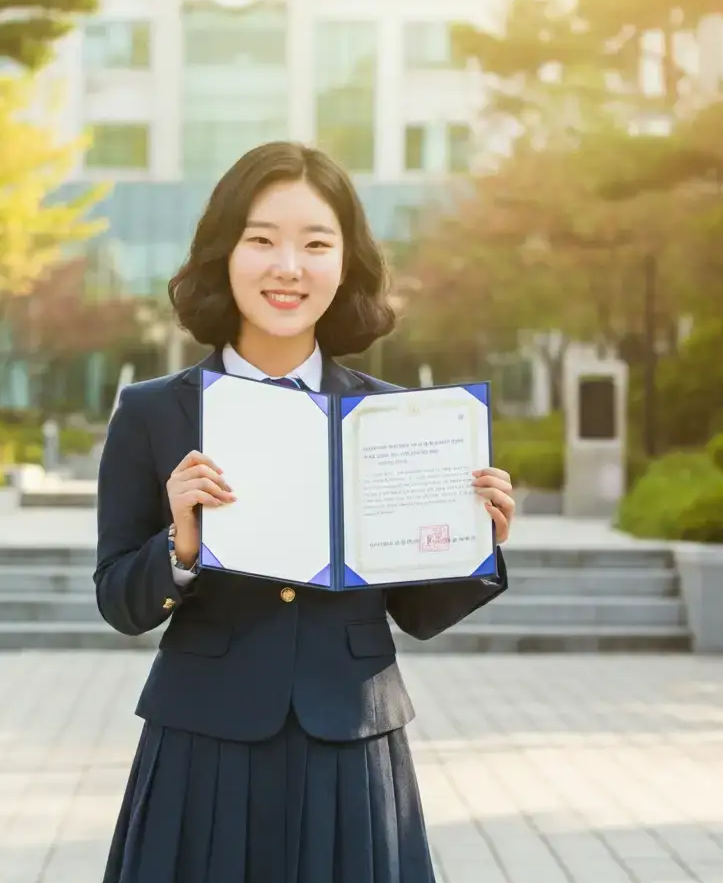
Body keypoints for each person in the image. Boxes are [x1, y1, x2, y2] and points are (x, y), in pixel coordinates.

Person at [94, 141, 516, 883]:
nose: (289, 267)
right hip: (204, 741)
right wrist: (180, 547)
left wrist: (473, 542)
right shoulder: (154, 412)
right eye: (262, 240)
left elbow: (418, 612)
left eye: (316, 243)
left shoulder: (395, 419)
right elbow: (119, 602)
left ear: (345, 262)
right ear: (224, 254)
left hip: (352, 742)